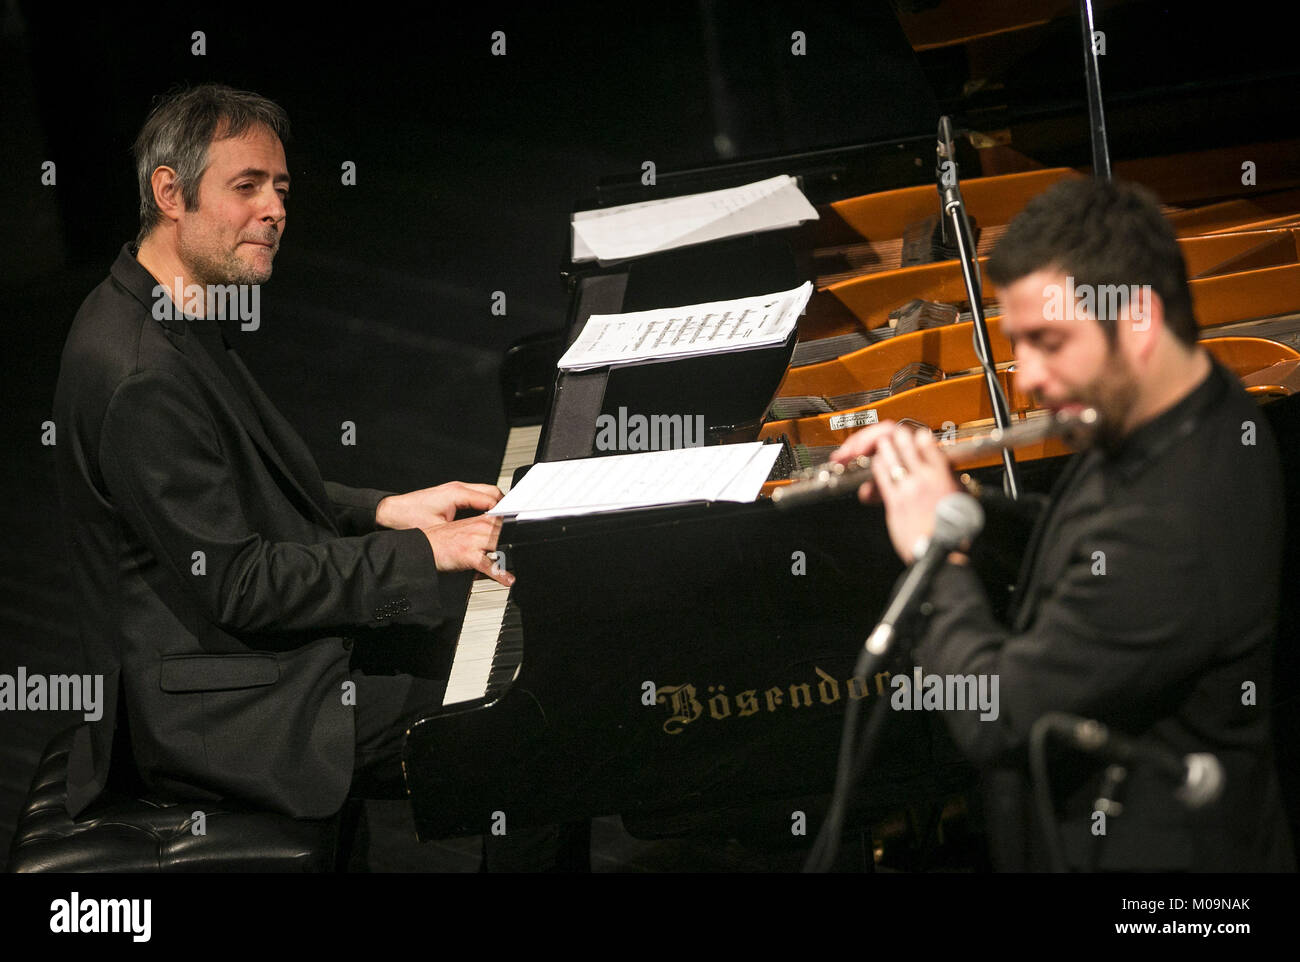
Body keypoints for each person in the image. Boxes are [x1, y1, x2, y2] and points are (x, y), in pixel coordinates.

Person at [53, 83, 513, 823]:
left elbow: (237, 489)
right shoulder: (141, 371)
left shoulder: (170, 311)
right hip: (222, 710)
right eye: (247, 186)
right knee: (526, 722)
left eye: (281, 187)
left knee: (528, 660)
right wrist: (424, 552)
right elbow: (237, 581)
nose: (276, 208)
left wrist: (385, 510)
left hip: (252, 659)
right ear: (170, 192)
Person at [831, 177, 1294, 871]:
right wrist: (966, 503)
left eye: (1050, 342)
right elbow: (1082, 539)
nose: (1030, 380)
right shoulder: (1181, 406)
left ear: (1135, 321)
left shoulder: (1176, 522)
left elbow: (999, 716)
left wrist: (937, 546)